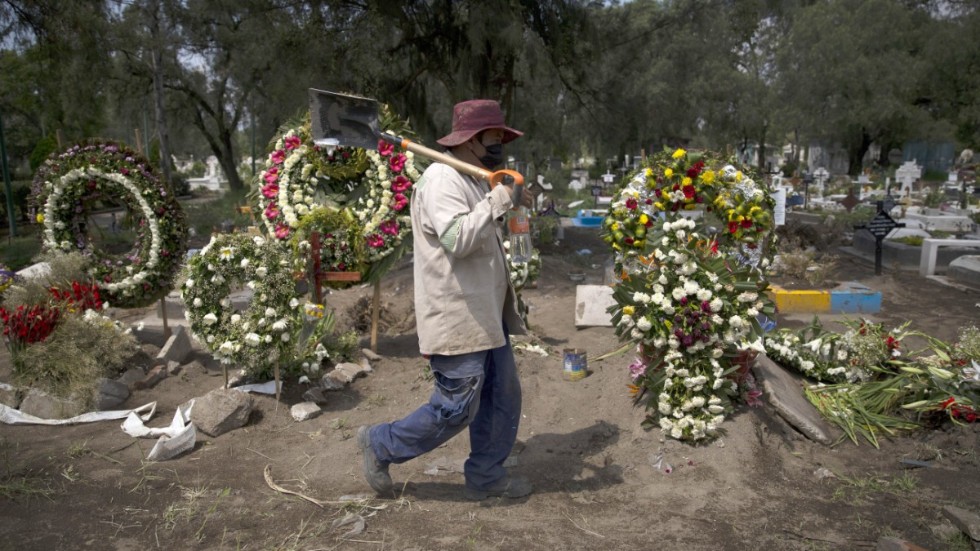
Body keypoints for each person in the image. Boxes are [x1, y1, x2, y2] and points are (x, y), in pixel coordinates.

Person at [357, 99, 533, 500]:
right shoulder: (441, 180)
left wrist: (503, 201)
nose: (501, 143)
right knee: (457, 408)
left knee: (501, 397)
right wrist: (499, 200)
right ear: (472, 139)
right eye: (495, 136)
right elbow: (458, 240)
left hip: (487, 315)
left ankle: (486, 476)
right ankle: (380, 443)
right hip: (458, 316)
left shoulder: (472, 177)